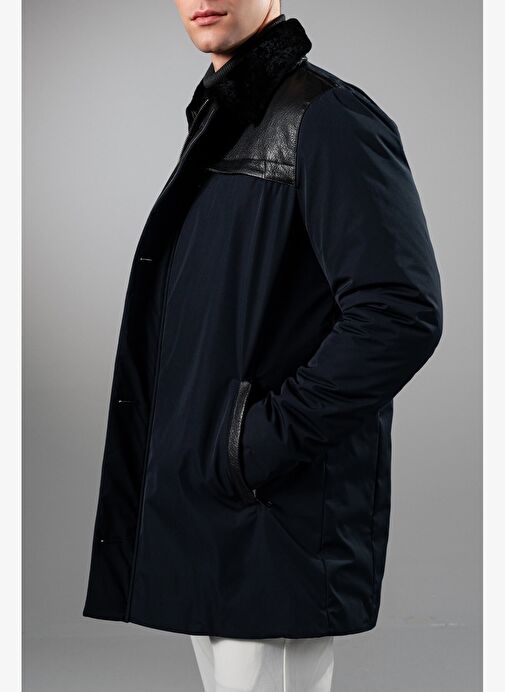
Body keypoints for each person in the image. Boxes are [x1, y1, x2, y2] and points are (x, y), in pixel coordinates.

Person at [82, 1, 443, 690]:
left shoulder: (328, 118)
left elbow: (400, 313)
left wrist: (257, 444)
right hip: (216, 500)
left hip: (272, 507)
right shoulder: (226, 113)